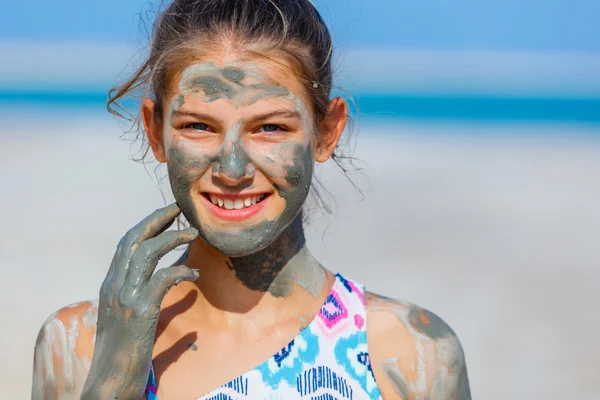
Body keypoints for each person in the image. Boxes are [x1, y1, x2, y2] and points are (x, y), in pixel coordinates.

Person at [31, 1, 471, 399]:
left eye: (271, 128)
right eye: (199, 127)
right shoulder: (80, 346)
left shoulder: (410, 355)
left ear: (327, 131)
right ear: (154, 130)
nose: (233, 170)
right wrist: (114, 380)